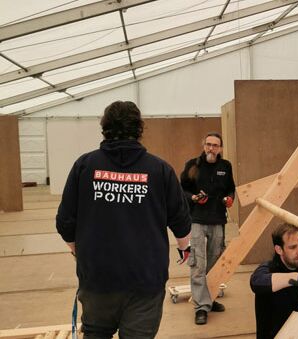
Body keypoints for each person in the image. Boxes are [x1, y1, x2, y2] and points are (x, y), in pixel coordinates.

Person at [56, 100, 192, 338]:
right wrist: (184, 248)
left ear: (104, 127)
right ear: (139, 128)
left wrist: (79, 251)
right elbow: (180, 221)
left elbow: (65, 221)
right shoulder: (160, 170)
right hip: (145, 281)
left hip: (98, 279)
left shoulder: (85, 165)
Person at [180, 132, 236, 325]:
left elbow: (231, 188)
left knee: (214, 265)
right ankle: (201, 307)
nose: (211, 148)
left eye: (215, 145)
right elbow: (182, 190)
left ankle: (209, 300)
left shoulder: (225, 166)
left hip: (218, 220)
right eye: (208, 144)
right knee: (198, 264)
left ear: (220, 148)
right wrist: (194, 198)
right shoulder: (192, 165)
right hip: (197, 220)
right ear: (203, 145)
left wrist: (230, 199)